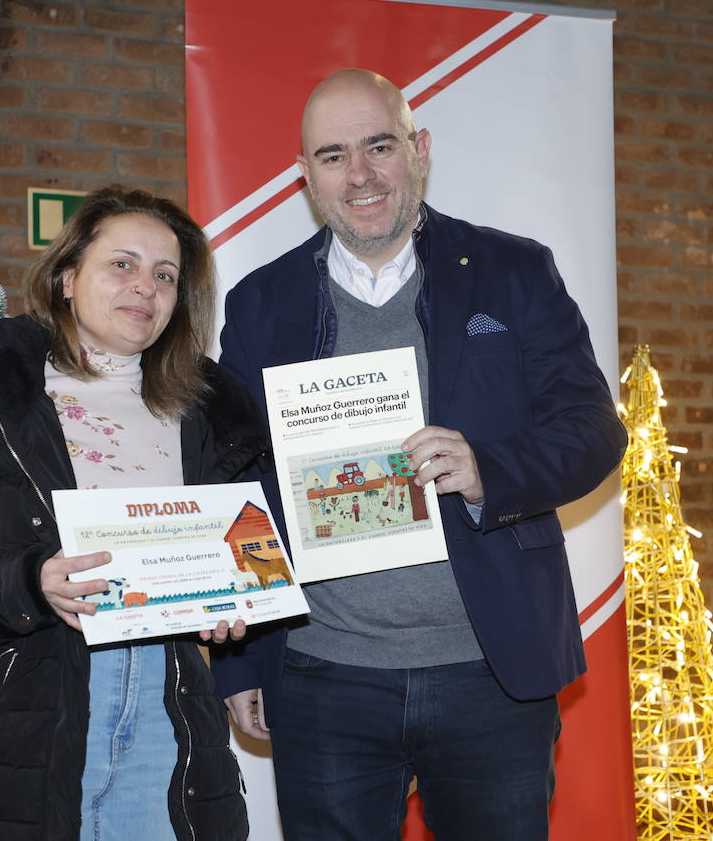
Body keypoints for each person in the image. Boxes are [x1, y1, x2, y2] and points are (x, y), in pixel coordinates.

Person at [211, 69, 626, 839]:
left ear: (420, 149)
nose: (359, 175)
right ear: (305, 175)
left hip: (491, 671)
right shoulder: (261, 302)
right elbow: (236, 481)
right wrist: (239, 659)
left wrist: (486, 470)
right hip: (323, 673)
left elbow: (595, 430)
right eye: (332, 156)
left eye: (379, 146)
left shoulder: (515, 271)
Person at [0, 187, 263, 841]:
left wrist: (232, 602)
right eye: (123, 264)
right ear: (67, 276)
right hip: (17, 720)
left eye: (166, 275)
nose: (146, 287)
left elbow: (244, 556)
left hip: (170, 723)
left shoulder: (211, 413)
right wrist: (30, 582)